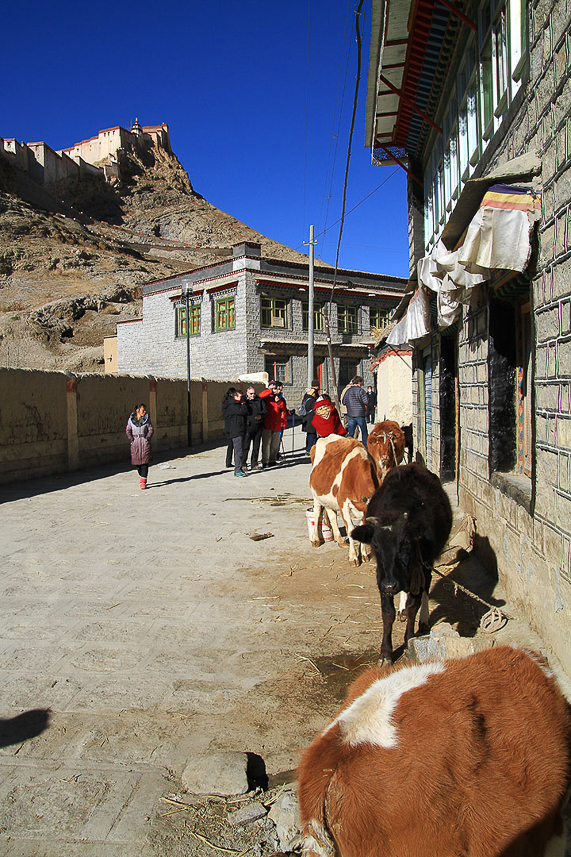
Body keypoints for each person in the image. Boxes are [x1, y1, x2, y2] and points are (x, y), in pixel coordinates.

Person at [126, 403, 154, 489]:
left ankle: (143, 481)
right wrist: (131, 439)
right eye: (143, 410)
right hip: (135, 443)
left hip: (144, 442)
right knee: (137, 464)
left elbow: (151, 429)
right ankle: (141, 475)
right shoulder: (131, 420)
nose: (145, 411)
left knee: (145, 463)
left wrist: (147, 438)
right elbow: (128, 430)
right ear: (138, 411)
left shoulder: (147, 419)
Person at [259, 380, 288, 467]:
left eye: (275, 388)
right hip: (267, 424)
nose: (275, 390)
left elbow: (283, 409)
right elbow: (261, 395)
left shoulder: (280, 398)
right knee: (266, 444)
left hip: (277, 424)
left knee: (275, 444)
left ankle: (272, 460)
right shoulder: (266, 397)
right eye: (273, 388)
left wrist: (278, 401)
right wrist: (271, 391)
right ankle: (265, 461)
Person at [222, 387, 249, 477]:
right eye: (240, 397)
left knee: (240, 450)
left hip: (241, 429)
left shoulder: (237, 404)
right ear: (235, 397)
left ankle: (239, 467)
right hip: (236, 430)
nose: (242, 398)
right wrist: (244, 403)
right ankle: (237, 470)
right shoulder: (232, 406)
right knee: (238, 451)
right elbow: (243, 411)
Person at [341, 375, 369, 445]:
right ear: (359, 382)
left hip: (350, 414)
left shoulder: (348, 391)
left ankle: (349, 446)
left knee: (351, 433)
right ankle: (365, 446)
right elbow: (366, 401)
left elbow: (344, 402)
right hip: (360, 414)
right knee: (364, 432)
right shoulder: (361, 391)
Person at [243, 386, 266, 470]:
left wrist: (261, 416)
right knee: (246, 446)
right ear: (247, 393)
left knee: (256, 446)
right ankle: (243, 463)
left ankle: (254, 463)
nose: (253, 395)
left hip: (258, 426)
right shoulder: (245, 401)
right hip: (248, 426)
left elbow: (265, 410)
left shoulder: (259, 401)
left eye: (254, 393)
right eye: (251, 393)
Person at [299, 385, 319, 454]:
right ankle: (310, 449)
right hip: (311, 419)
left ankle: (308, 448)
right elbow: (315, 409)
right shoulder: (312, 400)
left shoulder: (305, 399)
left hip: (306, 419)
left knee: (309, 435)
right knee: (312, 435)